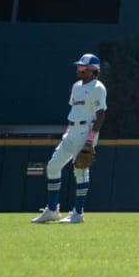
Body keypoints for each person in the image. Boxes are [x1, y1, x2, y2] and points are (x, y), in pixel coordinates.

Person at [32, 54, 106, 224]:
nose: (79, 70)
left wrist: (90, 140)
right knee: (53, 166)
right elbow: (74, 111)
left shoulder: (98, 88)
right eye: (79, 67)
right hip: (72, 130)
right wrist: (67, 132)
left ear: (93, 70)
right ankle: (52, 210)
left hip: (86, 130)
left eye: (83, 67)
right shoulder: (76, 86)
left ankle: (78, 213)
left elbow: (101, 115)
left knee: (80, 171)